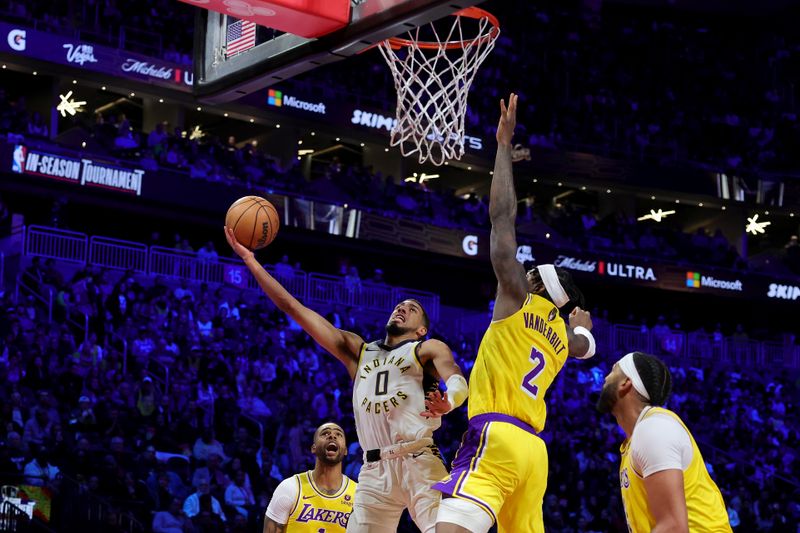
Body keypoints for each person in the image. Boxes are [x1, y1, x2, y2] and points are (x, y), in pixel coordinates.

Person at [225, 227, 468, 533]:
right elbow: (293, 308)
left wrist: (450, 401)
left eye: (412, 308)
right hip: (374, 469)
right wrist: (251, 260)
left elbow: (456, 377)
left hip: (419, 458)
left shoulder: (425, 348)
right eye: (399, 306)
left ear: (422, 329)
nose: (402, 308)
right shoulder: (358, 352)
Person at [433, 93, 596, 533]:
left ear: (537, 285)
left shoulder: (518, 298)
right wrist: (582, 329)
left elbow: (501, 219)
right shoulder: (563, 340)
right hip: (534, 452)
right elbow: (585, 345)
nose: (522, 271)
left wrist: (503, 147)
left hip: (497, 435)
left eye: (531, 273)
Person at [596, 352, 732, 532]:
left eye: (613, 371)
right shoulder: (637, 438)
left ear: (625, 382)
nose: (606, 377)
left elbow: (674, 527)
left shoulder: (653, 429)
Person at [264, 423, 356, 532]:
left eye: (338, 434)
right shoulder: (290, 487)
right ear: (314, 448)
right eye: (325, 433)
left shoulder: (358, 494)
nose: (332, 436)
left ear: (345, 450)